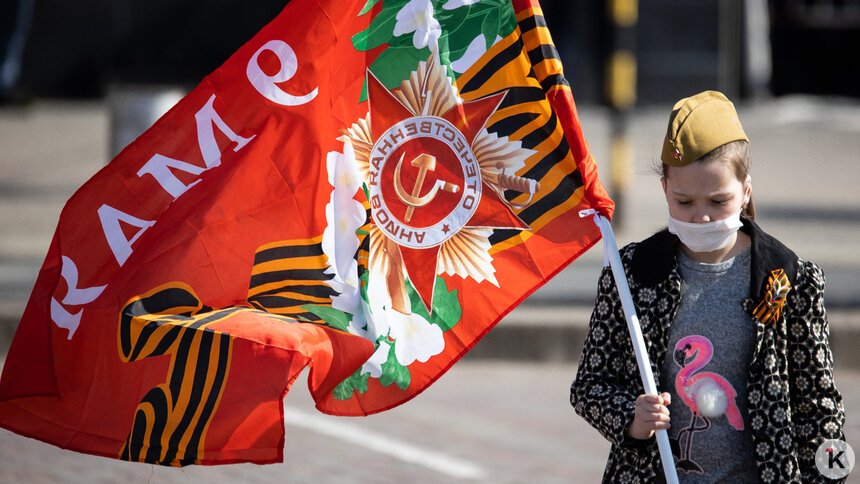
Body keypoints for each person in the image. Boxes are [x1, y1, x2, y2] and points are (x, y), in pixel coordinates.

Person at [570, 91, 845, 483]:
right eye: (684, 202)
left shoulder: (790, 278)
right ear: (664, 188)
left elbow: (820, 408)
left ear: (746, 191)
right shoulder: (631, 272)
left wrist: (830, 476)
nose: (701, 217)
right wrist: (631, 418)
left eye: (718, 201)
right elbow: (590, 385)